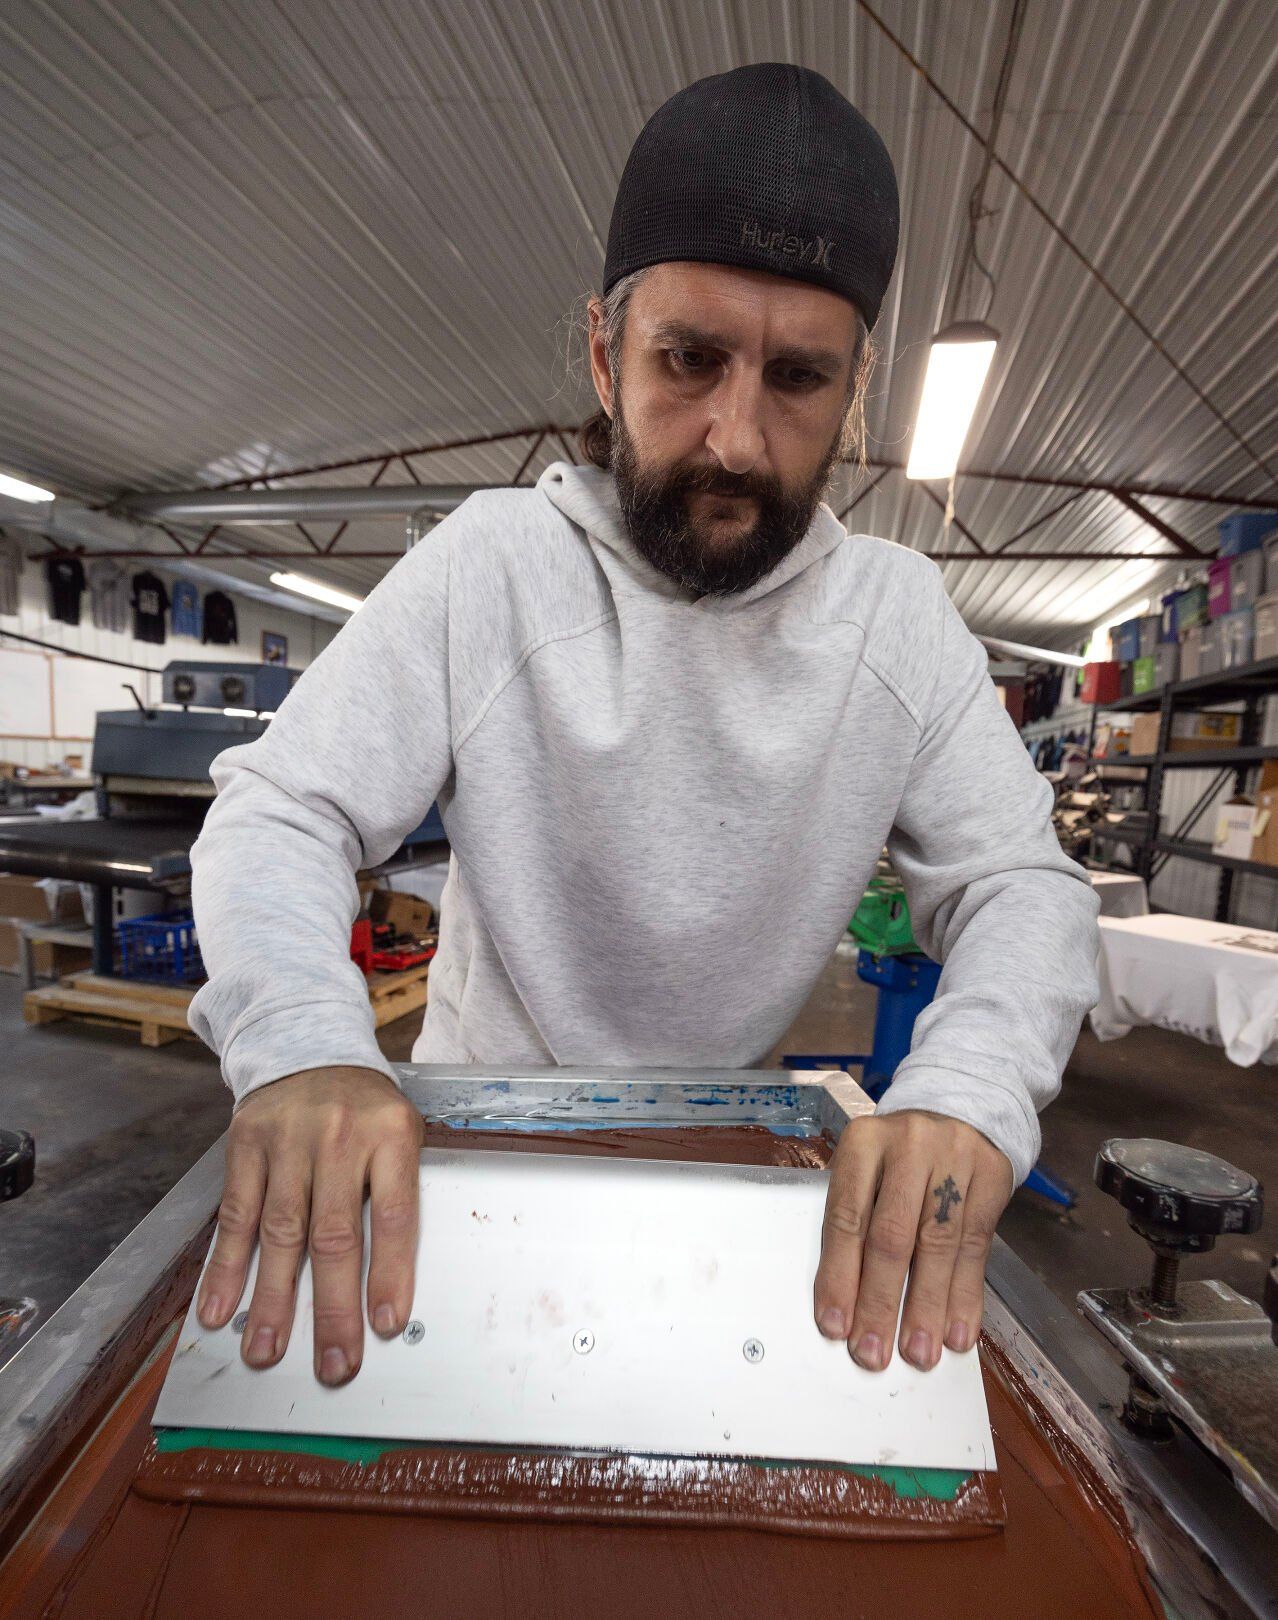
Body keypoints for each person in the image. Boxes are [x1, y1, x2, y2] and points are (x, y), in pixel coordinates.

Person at [188, 63, 1099, 1392]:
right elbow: (283, 810)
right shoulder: (494, 567)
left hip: (728, 1149)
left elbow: (1022, 885)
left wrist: (968, 1093)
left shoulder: (896, 620)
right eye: (689, 359)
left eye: (796, 378)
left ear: (853, 398)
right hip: (452, 1145)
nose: (734, 437)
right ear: (607, 356)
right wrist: (309, 1049)